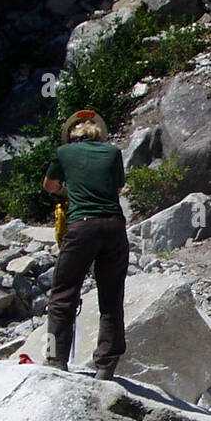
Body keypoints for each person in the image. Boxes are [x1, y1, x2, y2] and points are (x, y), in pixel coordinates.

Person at [42, 110, 128, 381]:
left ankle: (56, 359)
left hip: (82, 227)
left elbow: (49, 185)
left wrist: (71, 194)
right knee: (111, 298)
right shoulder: (113, 153)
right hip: (114, 226)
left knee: (64, 294)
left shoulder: (64, 152)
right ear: (99, 133)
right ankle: (106, 364)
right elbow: (117, 190)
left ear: (71, 134)